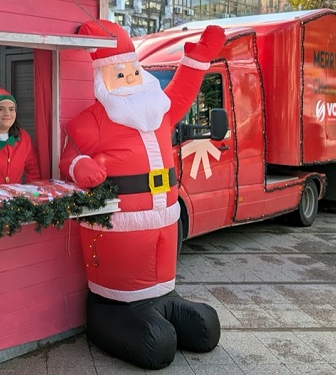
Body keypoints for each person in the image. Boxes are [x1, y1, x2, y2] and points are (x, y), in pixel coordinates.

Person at [58, 19, 224, 370]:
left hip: (164, 220)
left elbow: (182, 90)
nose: (130, 81)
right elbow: (68, 158)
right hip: (120, 230)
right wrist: (80, 167)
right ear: (102, 80)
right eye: (119, 76)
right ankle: (117, 312)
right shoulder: (93, 120)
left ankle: (163, 300)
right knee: (156, 344)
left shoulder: (158, 109)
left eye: (133, 73)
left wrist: (199, 58)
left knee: (206, 328)